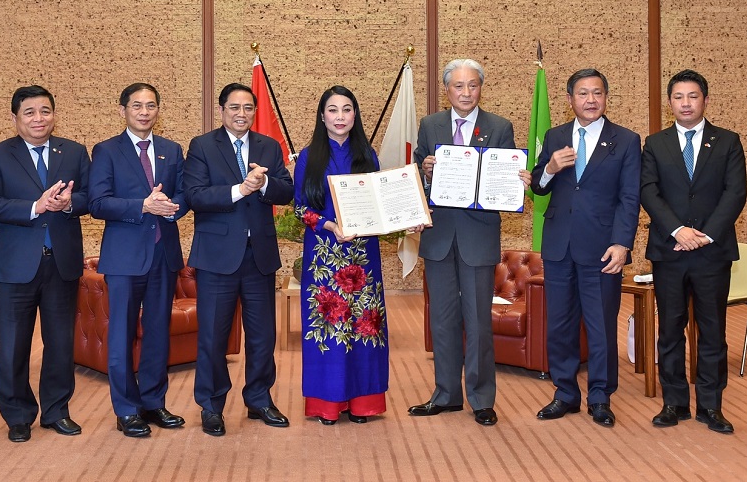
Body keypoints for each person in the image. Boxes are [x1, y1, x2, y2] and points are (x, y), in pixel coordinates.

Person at [408, 58, 529, 427]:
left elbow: (503, 183)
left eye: (472, 85)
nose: (465, 92)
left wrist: (513, 183)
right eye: (458, 86)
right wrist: (426, 173)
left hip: (478, 236)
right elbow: (416, 176)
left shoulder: (499, 127)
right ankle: (445, 395)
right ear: (447, 90)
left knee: (478, 322)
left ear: (481, 88)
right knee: (442, 321)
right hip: (439, 237)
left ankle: (481, 399)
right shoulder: (430, 124)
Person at [0, 85, 91, 443]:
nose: (38, 118)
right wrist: (35, 207)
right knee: (13, 346)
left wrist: (70, 203)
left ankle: (56, 411)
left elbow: (91, 197)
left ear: (54, 115)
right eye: (29, 112)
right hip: (16, 266)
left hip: (62, 263)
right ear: (15, 117)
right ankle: (18, 415)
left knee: (60, 344)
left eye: (45, 111)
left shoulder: (73, 151)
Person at [531, 68, 641, 428]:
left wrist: (622, 244)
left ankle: (600, 397)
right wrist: (550, 168)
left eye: (597, 93)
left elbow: (629, 198)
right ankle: (565, 393)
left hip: (602, 249)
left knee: (600, 326)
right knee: (560, 325)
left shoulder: (626, 140)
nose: (590, 100)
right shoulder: (555, 135)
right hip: (559, 246)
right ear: (570, 99)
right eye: (582, 93)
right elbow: (538, 186)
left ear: (606, 97)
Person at [183, 82, 294, 437]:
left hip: (259, 257)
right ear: (221, 110)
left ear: (255, 111)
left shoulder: (269, 146)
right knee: (213, 337)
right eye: (234, 107)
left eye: (248, 108)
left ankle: (259, 399)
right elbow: (195, 195)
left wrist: (264, 185)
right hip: (217, 258)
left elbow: (287, 190)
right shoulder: (202, 146)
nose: (241, 114)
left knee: (262, 336)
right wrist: (240, 189)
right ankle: (211, 405)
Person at [295, 86, 410, 425]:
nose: (340, 116)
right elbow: (300, 207)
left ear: (355, 115)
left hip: (363, 256)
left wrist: (407, 216)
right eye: (333, 110)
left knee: (364, 328)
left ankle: (363, 403)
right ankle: (328, 404)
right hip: (324, 255)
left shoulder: (367, 155)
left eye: (347, 109)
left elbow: (381, 204)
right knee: (329, 329)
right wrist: (328, 225)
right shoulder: (308, 156)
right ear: (322, 116)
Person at [641, 69, 746, 434]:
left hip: (711, 253)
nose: (685, 103)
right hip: (669, 250)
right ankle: (674, 403)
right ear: (670, 102)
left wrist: (705, 235)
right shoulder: (655, 143)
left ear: (705, 100)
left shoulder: (728, 141)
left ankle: (711, 406)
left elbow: (736, 193)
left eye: (693, 96)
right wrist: (678, 230)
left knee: (713, 331)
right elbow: (648, 191)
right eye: (678, 97)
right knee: (670, 329)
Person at [88, 83, 190, 438]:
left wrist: (172, 207)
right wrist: (142, 206)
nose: (144, 112)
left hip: (164, 255)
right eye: (137, 106)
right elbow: (97, 202)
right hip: (124, 258)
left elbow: (185, 193)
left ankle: (153, 402)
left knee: (158, 333)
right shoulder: (106, 151)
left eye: (150, 105)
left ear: (158, 110)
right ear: (123, 110)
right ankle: (126, 410)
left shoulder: (171, 150)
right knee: (121, 335)